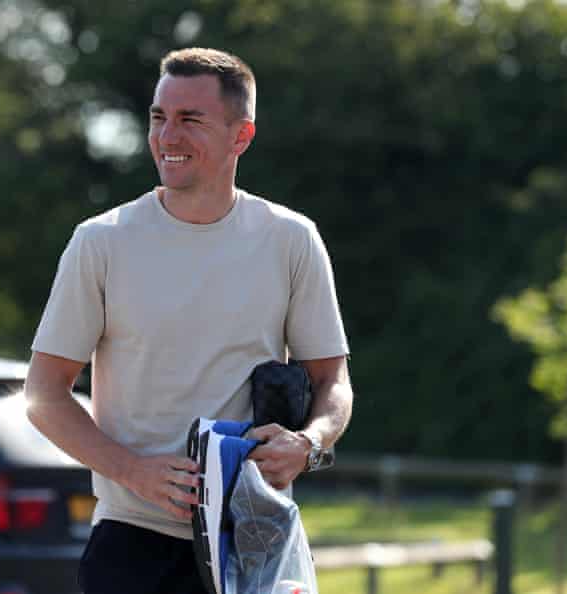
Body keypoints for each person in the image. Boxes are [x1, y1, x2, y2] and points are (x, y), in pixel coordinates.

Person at [25, 47, 353, 594]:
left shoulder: (292, 240)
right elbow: (43, 395)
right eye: (159, 117)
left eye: (189, 120)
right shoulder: (100, 243)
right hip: (132, 545)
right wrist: (132, 471)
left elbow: (332, 381)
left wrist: (310, 443)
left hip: (254, 540)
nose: (166, 136)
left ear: (240, 136)